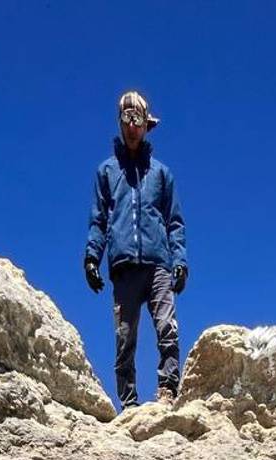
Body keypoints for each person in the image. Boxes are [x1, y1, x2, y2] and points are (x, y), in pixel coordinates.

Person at [84, 90, 188, 409]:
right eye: (127, 119)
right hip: (124, 266)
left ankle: (168, 390)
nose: (132, 126)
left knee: (167, 327)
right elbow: (99, 219)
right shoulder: (106, 172)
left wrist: (180, 260)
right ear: (120, 123)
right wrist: (92, 257)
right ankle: (129, 404)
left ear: (146, 125)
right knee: (124, 337)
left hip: (158, 263)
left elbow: (174, 221)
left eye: (137, 119)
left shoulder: (161, 174)